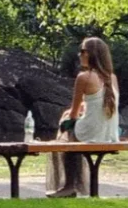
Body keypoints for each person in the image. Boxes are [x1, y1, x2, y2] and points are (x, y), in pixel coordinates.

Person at [45, 36, 120, 199]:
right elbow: (98, 105)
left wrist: (65, 122)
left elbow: (73, 113)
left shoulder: (84, 77)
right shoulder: (112, 78)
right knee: (72, 127)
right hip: (110, 135)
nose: (79, 55)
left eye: (83, 51)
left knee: (67, 128)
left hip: (91, 133)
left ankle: (69, 185)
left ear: (92, 54)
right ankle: (74, 184)